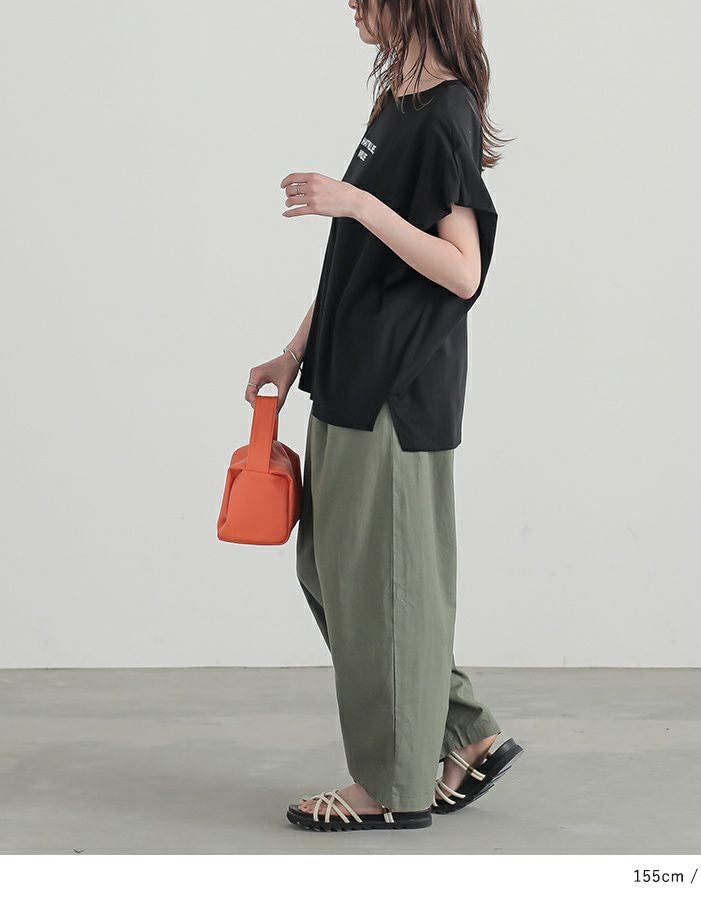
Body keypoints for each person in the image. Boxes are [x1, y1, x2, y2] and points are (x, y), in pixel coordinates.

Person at [245, 0, 522, 832]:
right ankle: (465, 734)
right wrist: (294, 350)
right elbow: (356, 260)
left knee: (382, 590)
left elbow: (462, 270)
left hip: (397, 390)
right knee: (334, 574)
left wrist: (357, 204)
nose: (352, 6)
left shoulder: (444, 113)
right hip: (348, 377)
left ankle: (393, 785)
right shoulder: (396, 104)